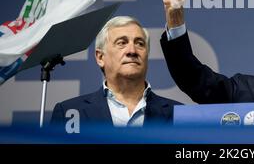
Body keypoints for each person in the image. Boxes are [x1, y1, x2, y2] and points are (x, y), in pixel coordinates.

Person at [51, 16, 181, 127]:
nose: (132, 51)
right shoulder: (69, 113)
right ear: (100, 57)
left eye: (140, 43)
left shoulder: (178, 114)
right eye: (121, 43)